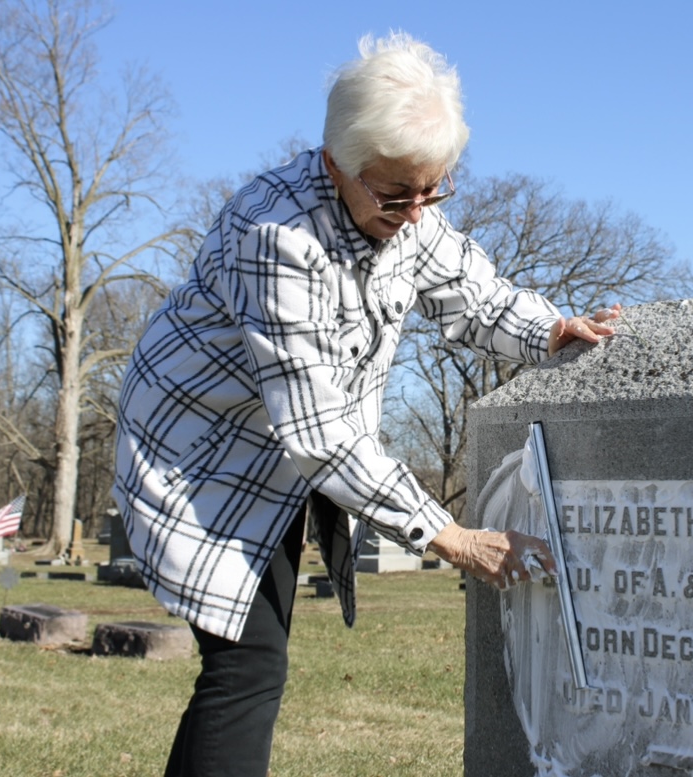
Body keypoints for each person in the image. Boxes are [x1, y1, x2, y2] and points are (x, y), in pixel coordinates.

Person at [112, 31, 619, 776]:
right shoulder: (277, 237)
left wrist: (548, 329)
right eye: (395, 193)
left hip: (280, 452)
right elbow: (318, 433)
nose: (416, 212)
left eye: (434, 188)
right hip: (200, 454)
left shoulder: (408, 209)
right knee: (247, 668)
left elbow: (476, 294)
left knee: (244, 670)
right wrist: (451, 536)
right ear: (335, 166)